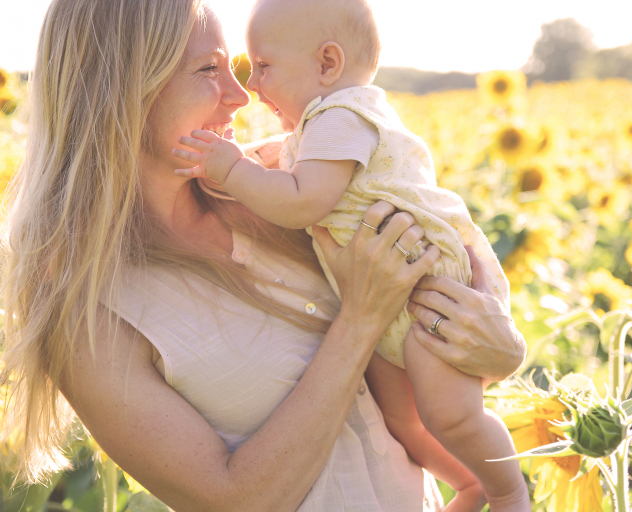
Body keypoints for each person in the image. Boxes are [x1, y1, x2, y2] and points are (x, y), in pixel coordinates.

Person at [0, 0, 528, 511]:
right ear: (120, 90)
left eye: (238, 68)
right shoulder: (86, 309)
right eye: (209, 69)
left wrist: (496, 349)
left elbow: (416, 353)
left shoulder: (280, 194)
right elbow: (233, 501)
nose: (241, 95)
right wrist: (359, 319)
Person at [172, 1, 528, 509]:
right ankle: (470, 484)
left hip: (423, 289)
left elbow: (302, 201)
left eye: (263, 66)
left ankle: (509, 491)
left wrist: (231, 171)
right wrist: (254, 160)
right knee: (402, 420)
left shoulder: (341, 115)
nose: (253, 87)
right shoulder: (324, 124)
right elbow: (290, 155)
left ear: (327, 64)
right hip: (388, 294)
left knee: (449, 413)